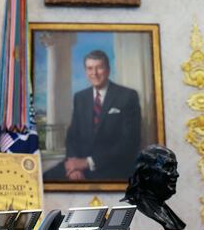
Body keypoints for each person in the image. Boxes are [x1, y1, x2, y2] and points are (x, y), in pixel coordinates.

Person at [44, 50, 141, 181]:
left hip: (112, 168)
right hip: (79, 166)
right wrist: (74, 167)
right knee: (42, 180)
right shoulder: (80, 97)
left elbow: (129, 142)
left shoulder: (127, 96)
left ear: (107, 70)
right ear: (85, 71)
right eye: (90, 68)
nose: (94, 73)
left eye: (99, 68)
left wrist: (88, 163)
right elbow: (72, 137)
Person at [121, 144, 185, 230]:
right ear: (146, 173)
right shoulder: (133, 208)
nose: (176, 174)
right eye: (168, 167)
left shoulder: (163, 209)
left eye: (175, 168)